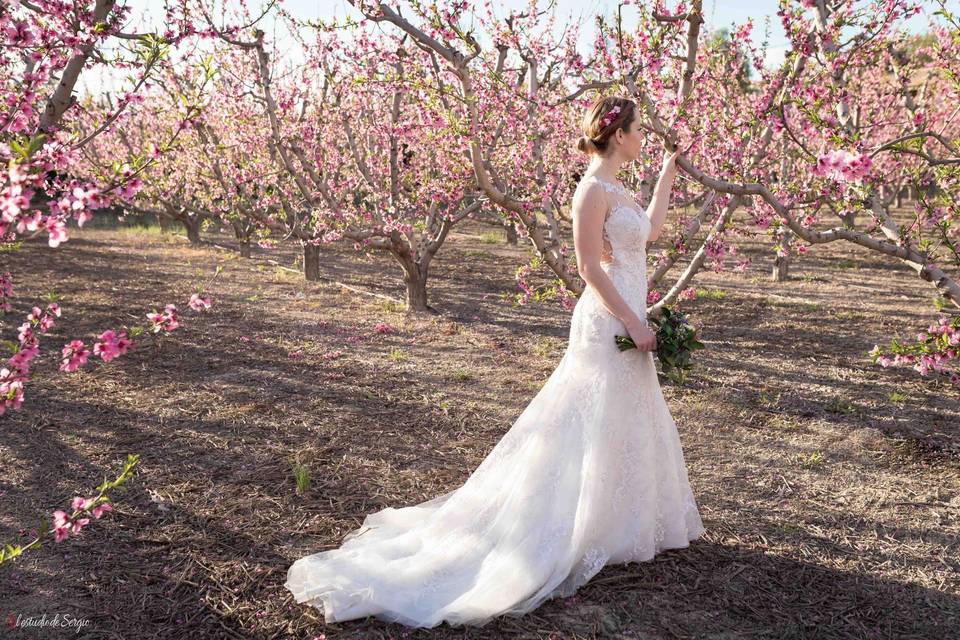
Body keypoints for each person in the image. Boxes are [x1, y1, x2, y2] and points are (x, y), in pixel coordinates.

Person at [284, 95, 706, 628]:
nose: (644, 136)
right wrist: (634, 322)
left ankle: (619, 524)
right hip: (608, 320)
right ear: (618, 134)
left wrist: (669, 170)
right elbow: (588, 271)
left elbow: (651, 232)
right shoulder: (591, 191)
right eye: (639, 129)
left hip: (632, 315)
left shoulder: (620, 188)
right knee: (587, 419)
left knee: (626, 417)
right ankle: (564, 527)